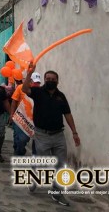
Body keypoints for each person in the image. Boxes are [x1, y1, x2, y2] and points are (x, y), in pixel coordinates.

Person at [22, 63, 80, 207]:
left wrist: (74, 132)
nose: (50, 81)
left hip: (59, 135)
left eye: (53, 79)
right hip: (42, 135)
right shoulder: (38, 92)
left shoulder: (61, 96)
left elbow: (68, 114)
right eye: (47, 78)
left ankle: (57, 192)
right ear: (44, 79)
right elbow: (24, 89)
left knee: (60, 165)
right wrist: (29, 74)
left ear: (57, 81)